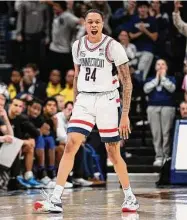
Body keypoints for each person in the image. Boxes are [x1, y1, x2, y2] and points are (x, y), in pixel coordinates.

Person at [34, 9, 139, 213]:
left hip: (107, 100)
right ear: (84, 24)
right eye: (89, 22)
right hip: (84, 99)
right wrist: (74, 105)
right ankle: (56, 198)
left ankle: (129, 196)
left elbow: (127, 82)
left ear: (102, 24)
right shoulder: (78, 45)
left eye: (97, 22)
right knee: (71, 144)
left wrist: (124, 114)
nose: (93, 25)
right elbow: (76, 76)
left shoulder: (113, 46)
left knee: (112, 152)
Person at [144, 59, 176, 167]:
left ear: (166, 67)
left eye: (163, 64)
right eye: (158, 64)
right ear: (155, 67)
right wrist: (157, 79)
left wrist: (163, 78)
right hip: (153, 107)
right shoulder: (150, 79)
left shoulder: (171, 78)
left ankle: (166, 156)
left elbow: (172, 89)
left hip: (167, 107)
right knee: (156, 133)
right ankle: (158, 156)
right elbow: (146, 89)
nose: (161, 66)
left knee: (166, 133)